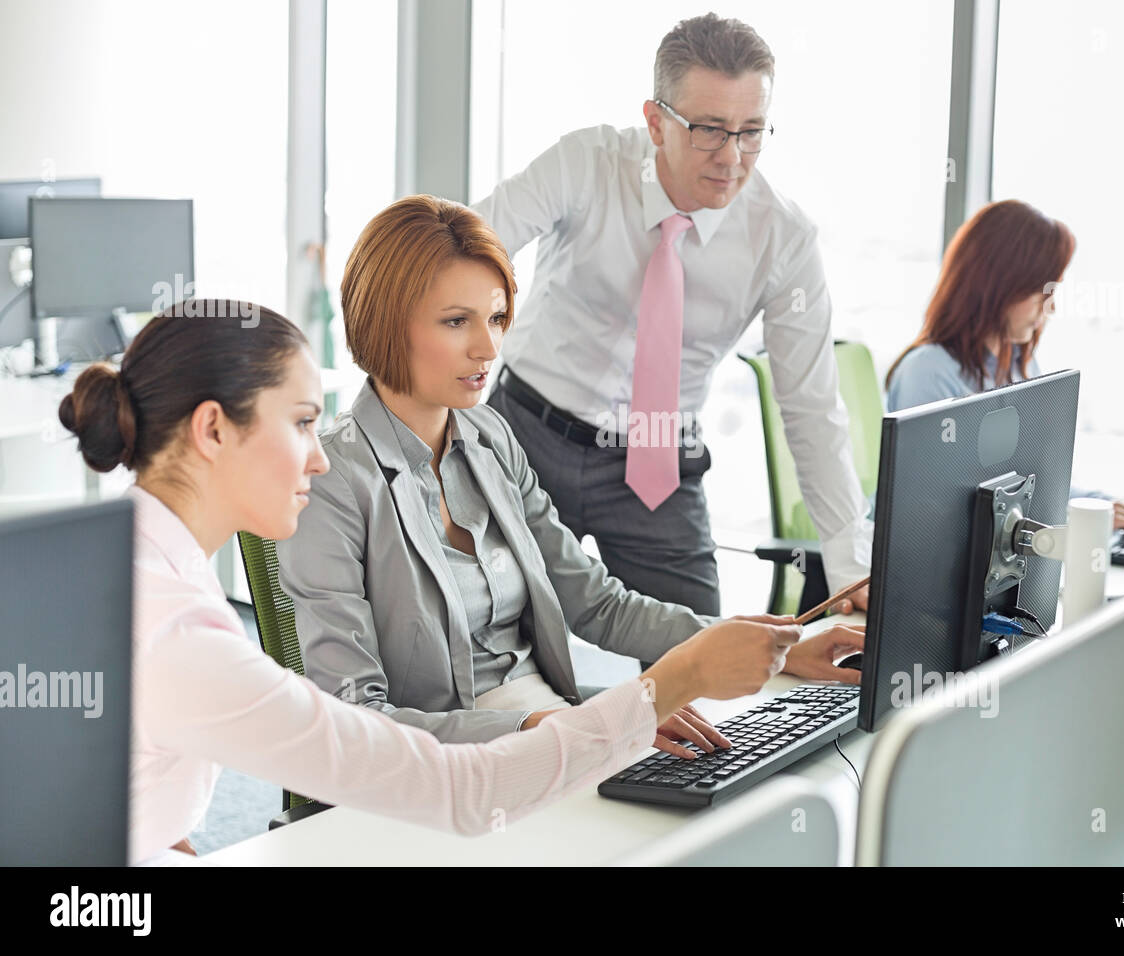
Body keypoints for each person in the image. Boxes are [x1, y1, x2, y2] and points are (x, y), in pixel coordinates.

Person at [58, 299, 810, 863]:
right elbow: (464, 792)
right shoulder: (184, 634)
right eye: (300, 424)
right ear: (213, 429)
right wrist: (665, 687)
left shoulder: (126, 565)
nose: (319, 459)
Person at [278, 196, 864, 759]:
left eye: (498, 318)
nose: (487, 347)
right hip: (447, 768)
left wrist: (772, 650)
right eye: (457, 322)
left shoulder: (491, 439)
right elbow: (354, 719)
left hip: (550, 730)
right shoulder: (330, 480)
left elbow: (597, 605)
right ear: (386, 321)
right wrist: (560, 727)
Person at [472, 13, 871, 617]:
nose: (733, 157)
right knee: (485, 637)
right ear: (656, 123)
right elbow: (468, 249)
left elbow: (812, 410)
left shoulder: (782, 239)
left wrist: (851, 571)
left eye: (752, 131)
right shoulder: (587, 163)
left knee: (702, 661)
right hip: (527, 436)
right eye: (710, 129)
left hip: (658, 461)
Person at [885, 199, 1124, 543]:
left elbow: (1033, 487)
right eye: (1046, 292)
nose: (1052, 307)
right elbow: (944, 515)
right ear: (1001, 284)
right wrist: (1083, 518)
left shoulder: (1016, 366)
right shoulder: (929, 372)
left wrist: (1107, 507)